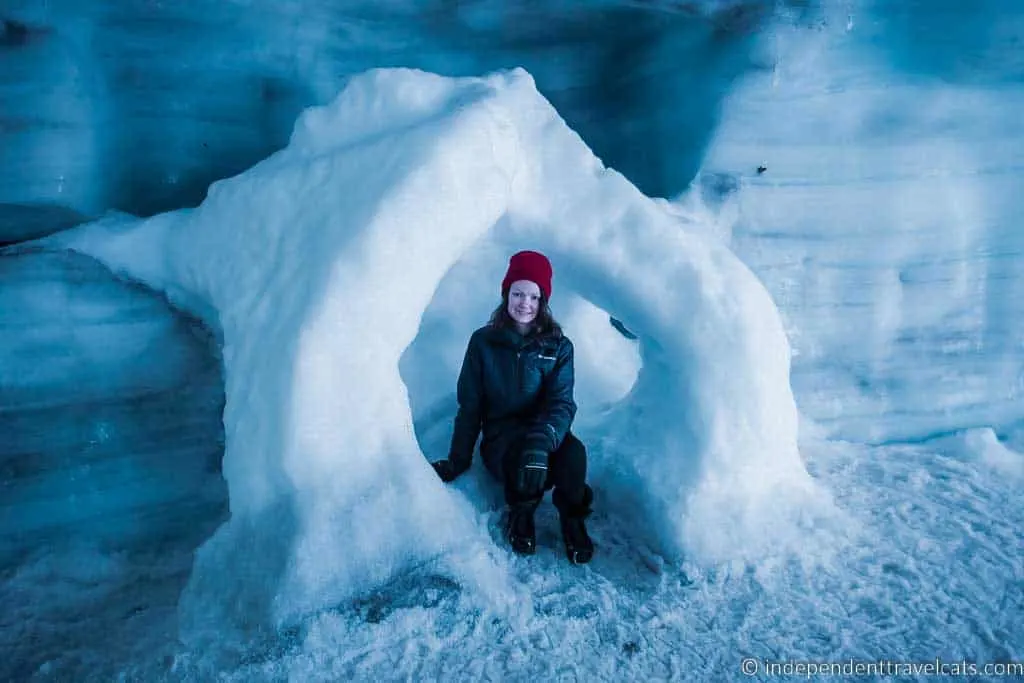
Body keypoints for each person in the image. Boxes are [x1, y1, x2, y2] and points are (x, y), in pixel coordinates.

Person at [429, 250, 595, 564]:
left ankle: (572, 520)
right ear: (506, 294)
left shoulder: (559, 347)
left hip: (546, 434)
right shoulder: (483, 343)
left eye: (534, 296)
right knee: (521, 458)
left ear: (543, 300)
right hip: (502, 440)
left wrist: (542, 439)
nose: (525, 303)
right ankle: (521, 513)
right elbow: (470, 405)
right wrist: (457, 460)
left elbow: (562, 403)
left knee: (574, 455)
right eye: (518, 293)